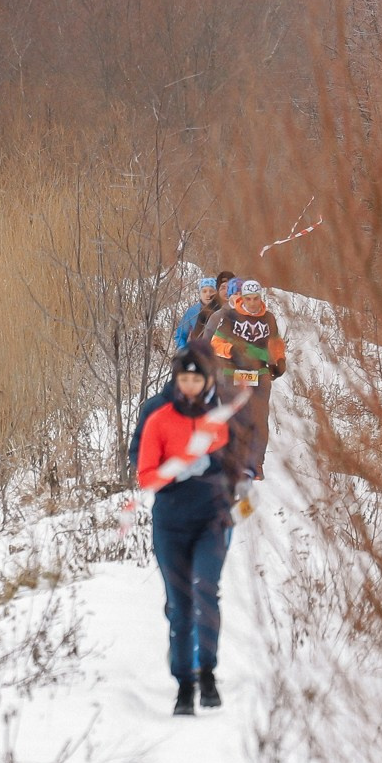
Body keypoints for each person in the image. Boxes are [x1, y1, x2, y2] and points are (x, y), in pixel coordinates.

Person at [136, 347, 241, 716]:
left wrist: (238, 491)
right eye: (185, 379)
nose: (191, 386)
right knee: (180, 607)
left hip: (212, 522)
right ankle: (184, 685)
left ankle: (207, 672)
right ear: (176, 381)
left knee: (206, 592)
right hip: (172, 524)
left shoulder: (217, 419)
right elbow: (146, 475)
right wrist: (178, 471)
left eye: (197, 379)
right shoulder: (159, 420)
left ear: (208, 381)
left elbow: (232, 469)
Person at [205, 277, 286, 480]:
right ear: (242, 298)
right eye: (248, 299)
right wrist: (232, 350)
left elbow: (275, 343)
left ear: (261, 298)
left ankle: (256, 463)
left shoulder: (269, 318)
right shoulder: (230, 317)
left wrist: (280, 359)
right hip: (233, 374)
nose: (252, 303)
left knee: (259, 419)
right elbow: (215, 343)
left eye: (255, 298)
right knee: (234, 419)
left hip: (259, 374)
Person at [174, 270, 234, 353]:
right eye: (204, 291)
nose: (208, 294)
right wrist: (184, 350)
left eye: (211, 291)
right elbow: (182, 335)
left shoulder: (243, 307)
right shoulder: (197, 312)